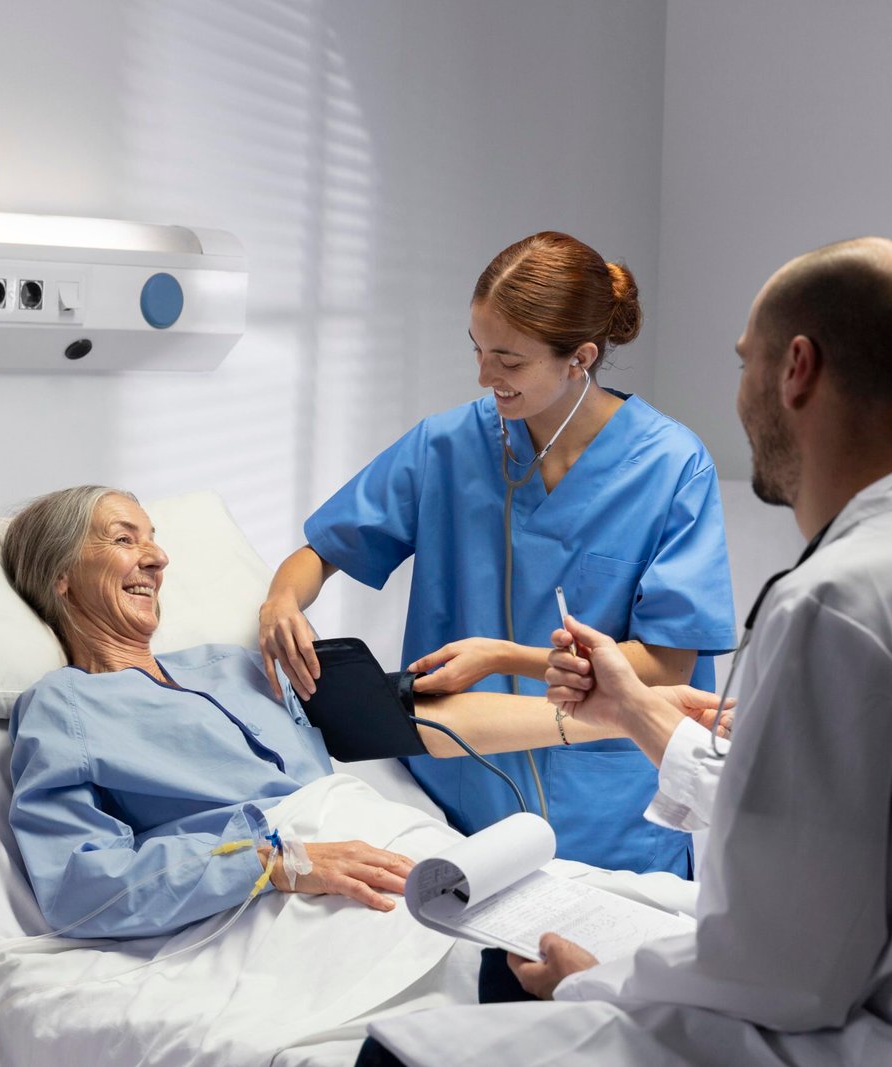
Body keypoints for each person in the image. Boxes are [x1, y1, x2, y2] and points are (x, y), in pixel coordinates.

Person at [363, 237, 892, 1065]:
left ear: (796, 369)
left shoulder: (833, 603)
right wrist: (636, 710)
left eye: (745, 362)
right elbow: (847, 827)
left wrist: (598, 977)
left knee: (398, 1051)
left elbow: (786, 970)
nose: (740, 391)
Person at [0, 485, 727, 940]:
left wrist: (634, 710)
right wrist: (275, 862)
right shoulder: (62, 707)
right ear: (60, 577)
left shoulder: (231, 664)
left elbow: (421, 720)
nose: (156, 557)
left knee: (661, 926)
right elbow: (79, 885)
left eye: (153, 537)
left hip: (399, 845)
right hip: (294, 892)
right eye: (124, 539)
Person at [260, 230, 737, 880]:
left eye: (508, 361)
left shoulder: (671, 465)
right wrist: (282, 598)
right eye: (479, 350)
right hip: (458, 801)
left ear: (580, 358)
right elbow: (322, 550)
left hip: (612, 818)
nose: (485, 376)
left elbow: (665, 663)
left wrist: (504, 655)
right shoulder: (448, 446)